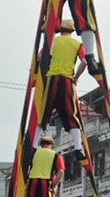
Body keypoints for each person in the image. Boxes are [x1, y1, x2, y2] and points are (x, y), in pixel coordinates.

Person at [34, 20, 87, 161]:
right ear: (72, 31)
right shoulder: (77, 44)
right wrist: (76, 77)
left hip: (52, 80)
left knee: (44, 113)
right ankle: (78, 148)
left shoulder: (53, 41)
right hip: (67, 81)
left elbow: (39, 57)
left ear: (60, 29)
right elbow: (85, 62)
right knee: (72, 115)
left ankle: (33, 146)